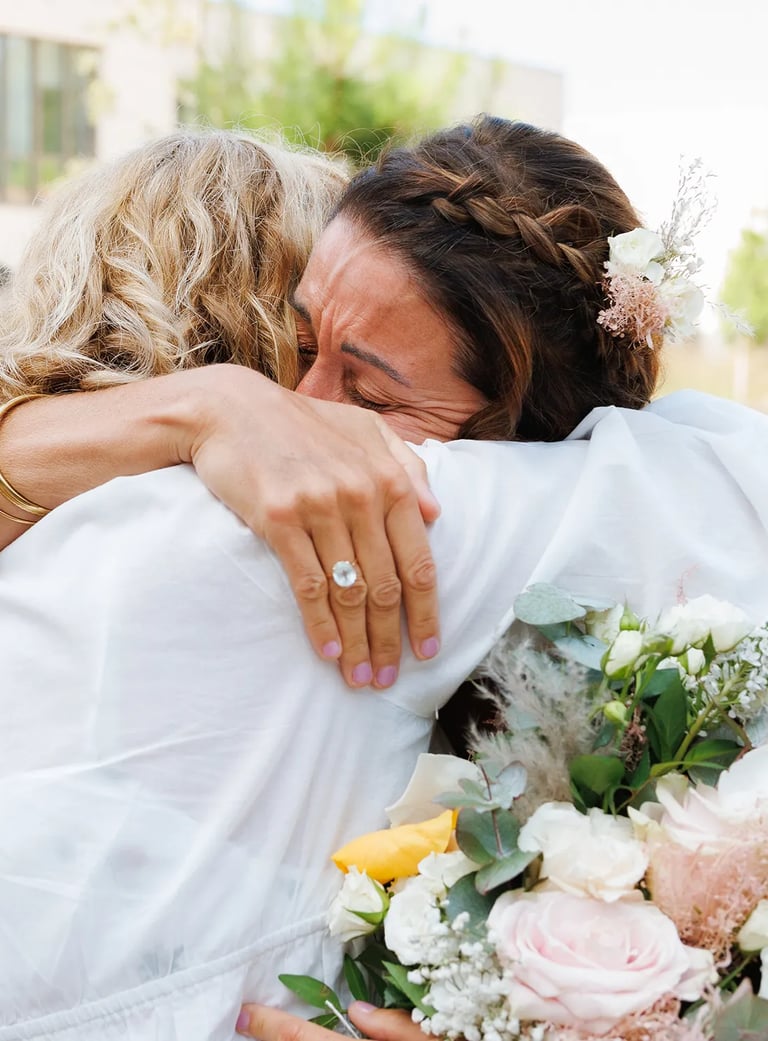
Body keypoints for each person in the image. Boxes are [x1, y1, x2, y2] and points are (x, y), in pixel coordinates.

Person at [0, 117, 766, 1041]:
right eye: (295, 342)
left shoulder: (66, 526)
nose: (307, 413)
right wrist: (211, 405)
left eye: (371, 394)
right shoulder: (302, 528)